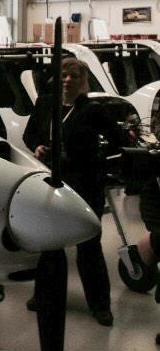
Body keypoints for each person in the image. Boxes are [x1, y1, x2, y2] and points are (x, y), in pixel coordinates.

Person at [23, 59, 122, 326]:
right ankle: (45, 296)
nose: (67, 80)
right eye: (63, 75)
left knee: (89, 246)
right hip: (52, 183)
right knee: (50, 244)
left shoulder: (93, 110)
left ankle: (100, 305)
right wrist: (39, 147)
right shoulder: (46, 103)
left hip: (85, 184)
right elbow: (30, 135)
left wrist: (94, 161)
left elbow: (118, 142)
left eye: (74, 76)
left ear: (83, 81)